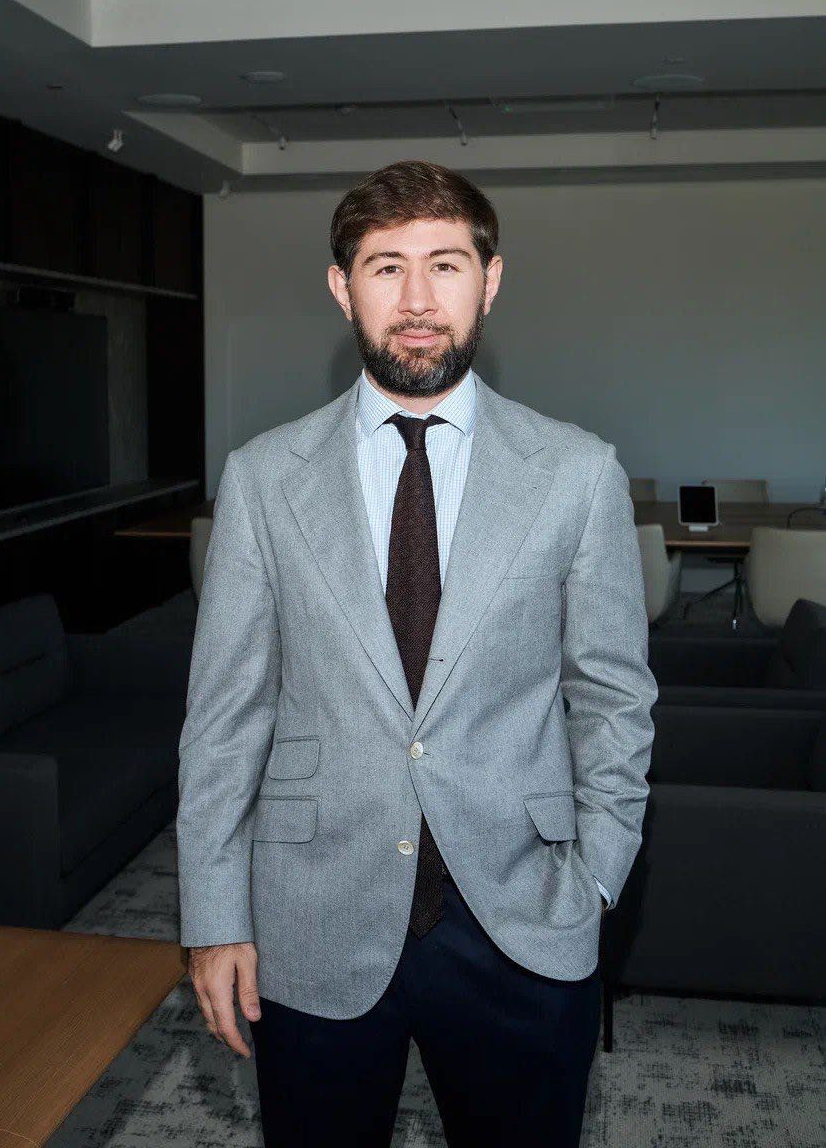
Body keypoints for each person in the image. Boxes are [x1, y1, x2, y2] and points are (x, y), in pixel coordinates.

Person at [176, 159, 658, 1147]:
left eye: (444, 264)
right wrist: (214, 915)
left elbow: (612, 695)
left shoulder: (577, 473)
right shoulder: (262, 478)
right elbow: (226, 717)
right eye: (385, 266)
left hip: (523, 917)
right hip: (312, 917)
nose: (417, 300)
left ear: (489, 280)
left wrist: (597, 878)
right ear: (340, 286)